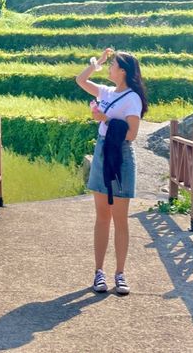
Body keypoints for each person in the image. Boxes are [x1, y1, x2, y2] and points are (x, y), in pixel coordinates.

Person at [75, 47, 148, 296]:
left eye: (112, 64)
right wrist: (97, 62)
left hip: (121, 155)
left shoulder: (132, 99)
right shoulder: (105, 91)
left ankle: (120, 273)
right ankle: (99, 272)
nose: (109, 68)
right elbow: (80, 80)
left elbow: (131, 134)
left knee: (120, 219)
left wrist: (104, 118)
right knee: (101, 217)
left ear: (123, 71)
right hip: (102, 152)